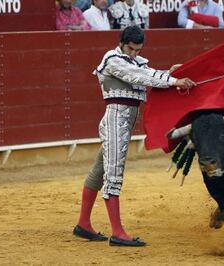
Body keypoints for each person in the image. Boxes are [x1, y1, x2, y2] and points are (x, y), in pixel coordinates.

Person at [73, 25, 196, 247]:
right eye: (130, 48)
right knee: (114, 172)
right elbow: (141, 76)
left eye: (137, 50)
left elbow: (147, 73)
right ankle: (117, 232)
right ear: (122, 43)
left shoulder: (137, 62)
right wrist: (172, 80)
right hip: (115, 120)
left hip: (124, 121)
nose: (133, 53)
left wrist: (171, 74)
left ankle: (83, 224)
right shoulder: (112, 59)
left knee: (100, 171)